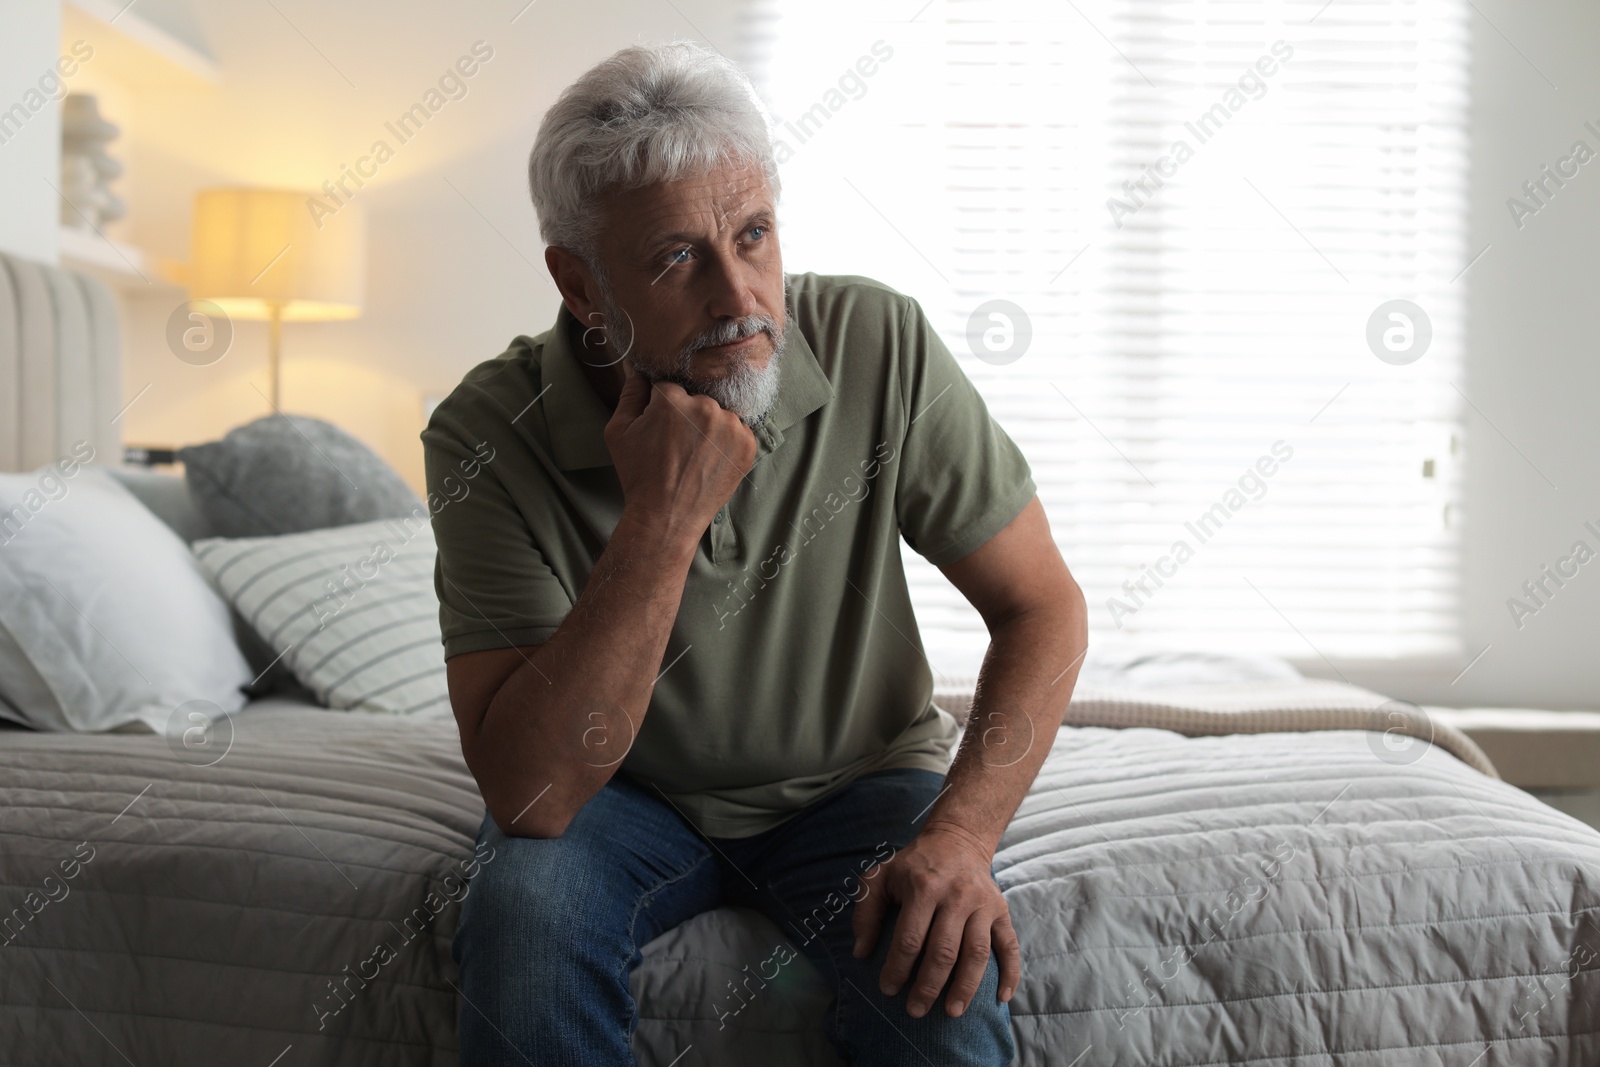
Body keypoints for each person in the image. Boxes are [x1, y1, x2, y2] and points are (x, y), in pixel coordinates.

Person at [422, 39, 1087, 1066]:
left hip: (861, 782)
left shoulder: (878, 343)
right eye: (677, 257)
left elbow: (1041, 604)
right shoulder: (484, 432)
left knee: (943, 997)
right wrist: (661, 519)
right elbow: (534, 792)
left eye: (754, 235)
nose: (741, 298)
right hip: (617, 801)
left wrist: (961, 835)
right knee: (522, 929)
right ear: (581, 284)